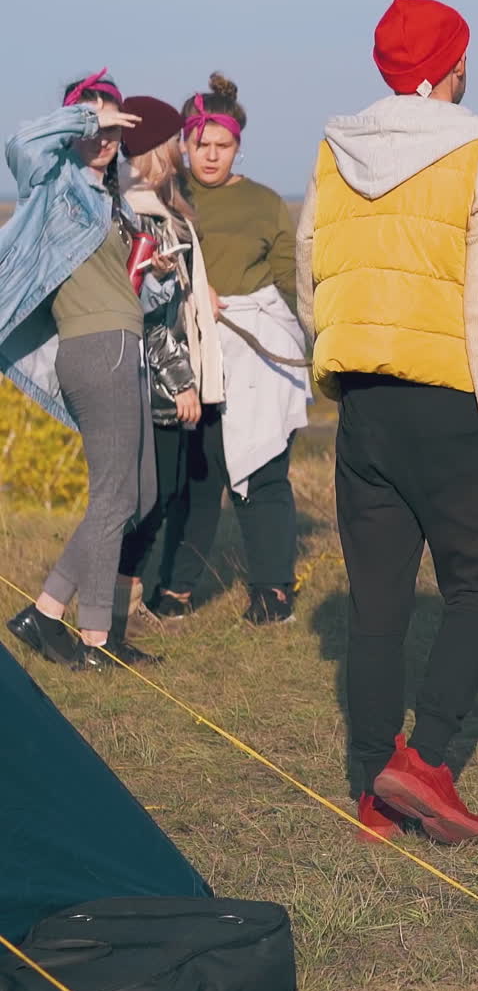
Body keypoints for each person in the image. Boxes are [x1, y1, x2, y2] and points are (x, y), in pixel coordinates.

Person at [296, 0, 478, 844]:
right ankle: (425, 760)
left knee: (377, 605)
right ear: (452, 67)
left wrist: (339, 375)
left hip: (363, 405)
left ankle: (371, 792)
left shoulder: (334, 150)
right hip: (451, 400)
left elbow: (311, 270)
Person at [0, 71, 158, 670]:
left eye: (116, 119)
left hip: (121, 342)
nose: (112, 131)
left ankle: (49, 615)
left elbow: (120, 292)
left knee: (134, 492)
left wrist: (156, 277)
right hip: (97, 349)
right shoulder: (56, 178)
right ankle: (93, 638)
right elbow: (20, 143)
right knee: (115, 495)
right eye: (99, 119)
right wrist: (91, 118)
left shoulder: (106, 201)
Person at [153, 72, 310, 627]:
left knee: (263, 470)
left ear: (237, 145)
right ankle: (174, 589)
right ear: (185, 144)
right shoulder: (166, 198)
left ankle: (272, 590)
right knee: (195, 476)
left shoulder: (265, 203)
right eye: (202, 146)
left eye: (223, 146)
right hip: (188, 354)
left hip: (256, 352)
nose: (212, 156)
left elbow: (291, 277)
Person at [113, 96, 224, 638]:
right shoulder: (138, 218)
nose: (185, 150)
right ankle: (113, 608)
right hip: (154, 381)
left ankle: (117, 607)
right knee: (147, 502)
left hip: (165, 376)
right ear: (155, 148)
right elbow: (145, 317)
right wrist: (183, 383)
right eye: (176, 141)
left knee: (161, 495)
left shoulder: (163, 209)